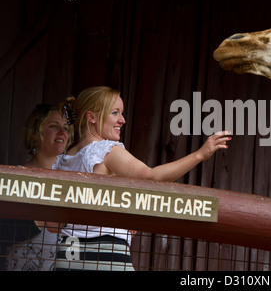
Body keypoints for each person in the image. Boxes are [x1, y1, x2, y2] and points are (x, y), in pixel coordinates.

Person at [52, 86, 231, 271]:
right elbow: (150, 176)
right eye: (115, 113)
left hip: (67, 251)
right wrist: (200, 155)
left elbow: (54, 222)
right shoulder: (103, 150)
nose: (122, 120)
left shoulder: (65, 158)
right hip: (105, 250)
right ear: (92, 117)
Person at [0, 104, 72, 271]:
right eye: (54, 126)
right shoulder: (15, 176)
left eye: (66, 128)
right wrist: (39, 220)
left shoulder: (75, 179)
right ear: (34, 133)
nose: (62, 132)